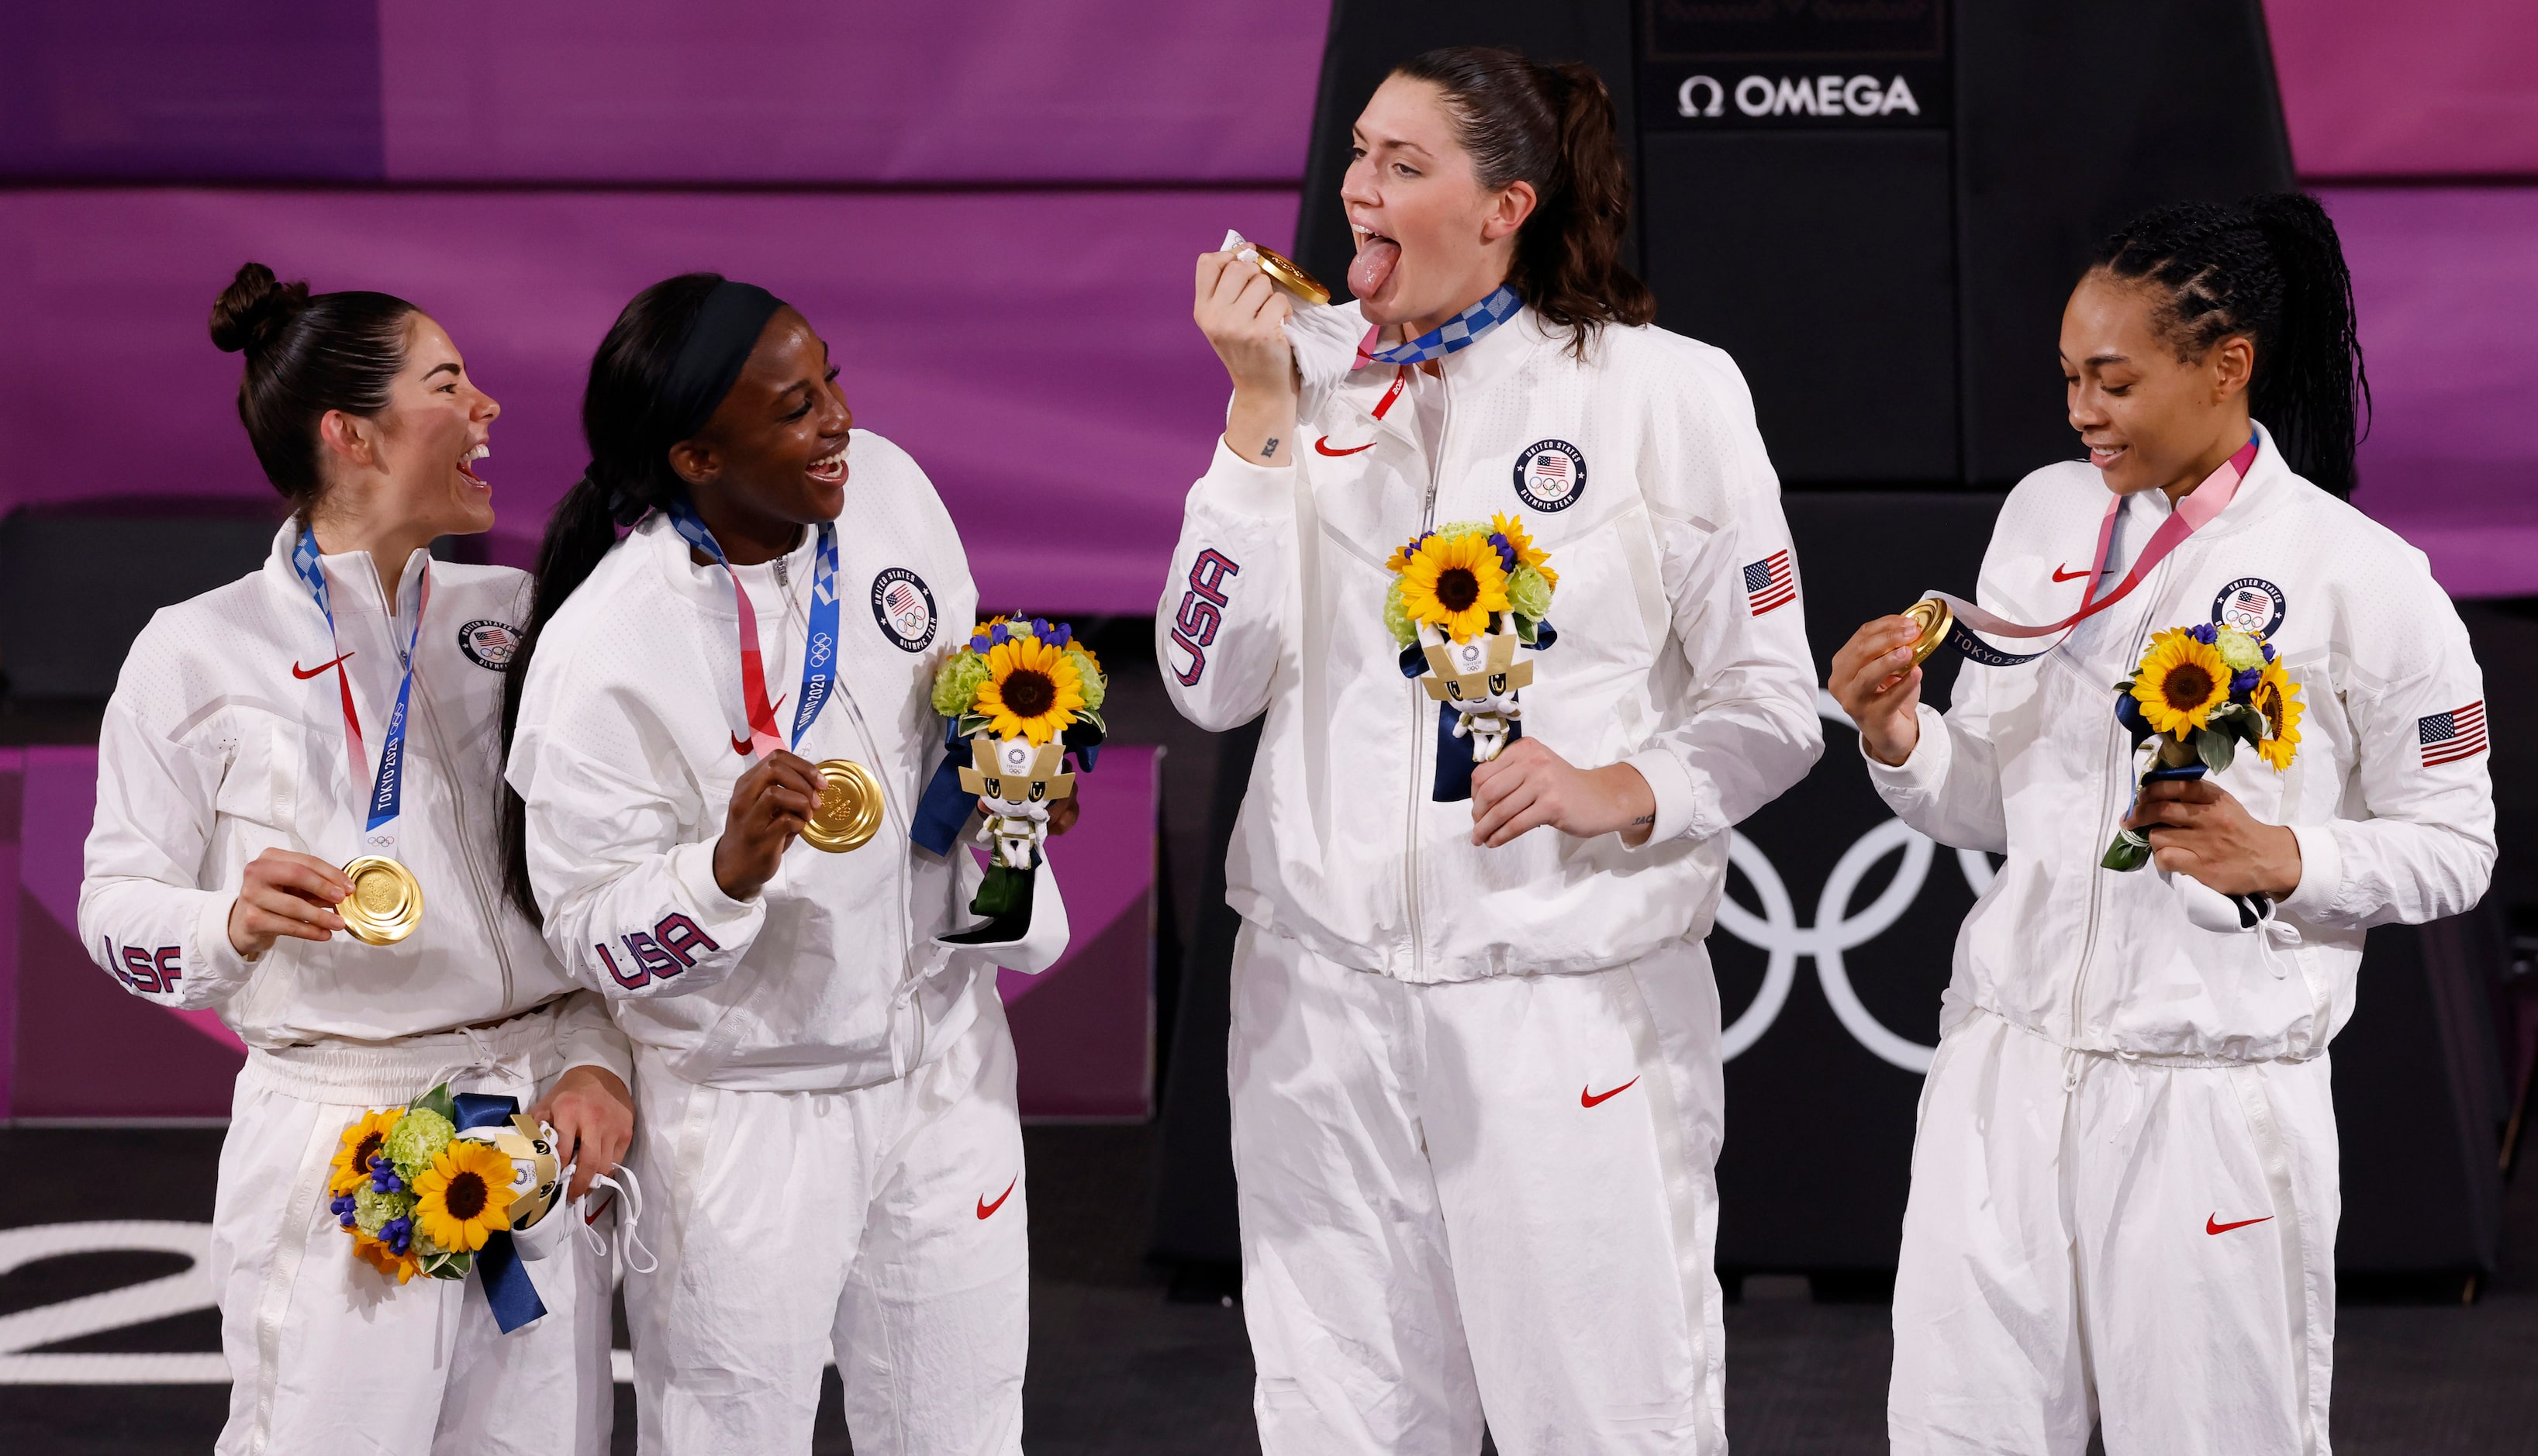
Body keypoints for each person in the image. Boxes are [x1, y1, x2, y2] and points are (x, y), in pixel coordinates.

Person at [1164, 47, 1821, 1455]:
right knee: (1337, 1423)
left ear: (1506, 204)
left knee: (1605, 1420)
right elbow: (1199, 680)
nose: (1358, 187)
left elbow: (1772, 704)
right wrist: (1255, 413)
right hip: (1315, 1008)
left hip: (1561, 1001)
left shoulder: (1665, 391)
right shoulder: (1304, 379)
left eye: (1406, 165)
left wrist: (1626, 787)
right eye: (1356, 155)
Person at [1829, 195, 2495, 1454]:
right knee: (1954, 1434)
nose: (2080, 409)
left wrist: (2294, 859)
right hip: (2002, 1072)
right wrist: (1898, 737)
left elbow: (2460, 845)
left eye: (2113, 380)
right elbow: (1990, 798)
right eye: (2069, 377)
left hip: (2209, 1101)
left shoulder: (2364, 576)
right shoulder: (2040, 516)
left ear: (2224, 365)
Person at [501, 274, 1070, 1454]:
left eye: (833, 382)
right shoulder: (605, 650)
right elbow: (586, 926)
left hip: (943, 1065)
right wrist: (722, 871)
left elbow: (958, 705)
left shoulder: (893, 496)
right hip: (750, 1112)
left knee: (966, 1428)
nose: (839, 424)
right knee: (727, 1436)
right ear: (699, 457)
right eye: (795, 407)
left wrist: (1014, 782)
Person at [78, 263, 634, 1455]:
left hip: (531, 1122)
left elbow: (580, 890)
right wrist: (224, 919)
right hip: (341, 1129)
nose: (487, 407)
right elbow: (113, 907)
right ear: (352, 435)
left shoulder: (516, 618)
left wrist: (597, 1063)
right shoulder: (196, 650)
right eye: (449, 384)